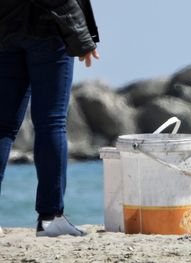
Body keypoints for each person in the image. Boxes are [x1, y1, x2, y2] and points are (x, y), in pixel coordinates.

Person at [0, 0, 99, 237]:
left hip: (4, 27)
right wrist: (81, 36)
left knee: (2, 126)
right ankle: (50, 217)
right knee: (50, 123)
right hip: (48, 30)